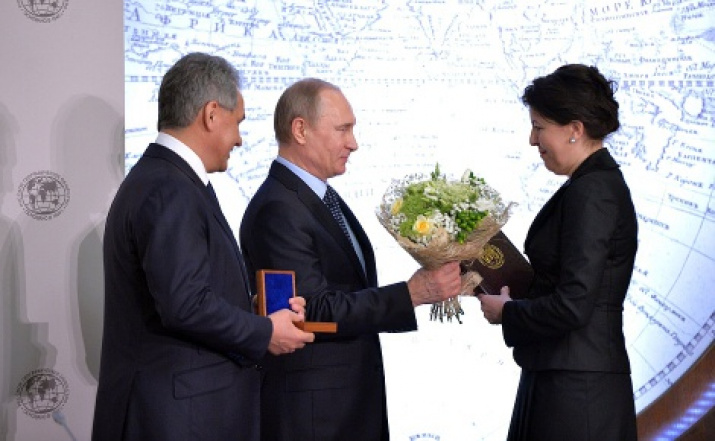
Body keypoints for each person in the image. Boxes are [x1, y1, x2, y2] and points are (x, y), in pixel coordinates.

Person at [91, 52, 315, 441]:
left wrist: (256, 308)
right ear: (212, 114)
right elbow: (185, 304)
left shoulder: (164, 180)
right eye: (238, 123)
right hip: (176, 420)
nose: (240, 139)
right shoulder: (169, 188)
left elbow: (185, 289)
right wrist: (263, 331)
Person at [239, 78, 462, 440]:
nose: (353, 143)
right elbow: (310, 311)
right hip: (315, 419)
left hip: (345, 409)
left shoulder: (317, 197)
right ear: (300, 130)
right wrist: (411, 294)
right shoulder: (279, 209)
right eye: (343, 129)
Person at [477, 64, 638, 441]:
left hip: (576, 391)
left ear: (575, 130)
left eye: (539, 126)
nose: (533, 140)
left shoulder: (593, 190)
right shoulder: (590, 185)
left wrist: (509, 311)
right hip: (565, 376)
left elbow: (574, 303)